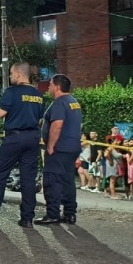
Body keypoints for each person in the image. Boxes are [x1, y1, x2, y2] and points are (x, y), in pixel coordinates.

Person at [0, 62, 44, 228]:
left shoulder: (11, 92)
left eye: (11, 73)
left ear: (19, 75)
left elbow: (0, 113)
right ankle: (27, 219)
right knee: (28, 179)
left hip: (14, 138)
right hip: (33, 138)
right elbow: (40, 118)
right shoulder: (38, 94)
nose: (10, 76)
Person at [35, 74, 83, 225]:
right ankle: (70, 214)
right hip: (72, 148)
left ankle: (52, 214)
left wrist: (50, 145)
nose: (48, 87)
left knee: (52, 181)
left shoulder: (59, 103)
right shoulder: (74, 102)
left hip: (59, 149)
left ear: (57, 87)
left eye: (50, 85)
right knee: (68, 181)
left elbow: (57, 125)